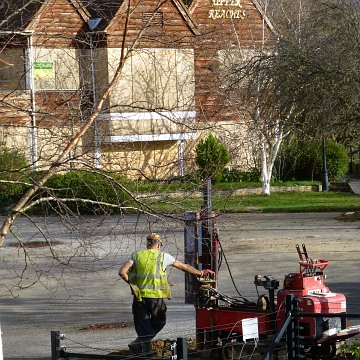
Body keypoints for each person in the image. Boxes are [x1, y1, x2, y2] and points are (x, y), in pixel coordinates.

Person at [118, 232, 214, 354]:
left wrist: (133, 285)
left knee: (143, 323)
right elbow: (182, 266)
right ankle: (144, 349)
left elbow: (122, 272)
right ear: (159, 245)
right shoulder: (163, 256)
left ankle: (141, 346)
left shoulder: (136, 256)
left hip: (139, 297)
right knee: (160, 321)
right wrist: (200, 273)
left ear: (148, 244)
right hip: (156, 298)